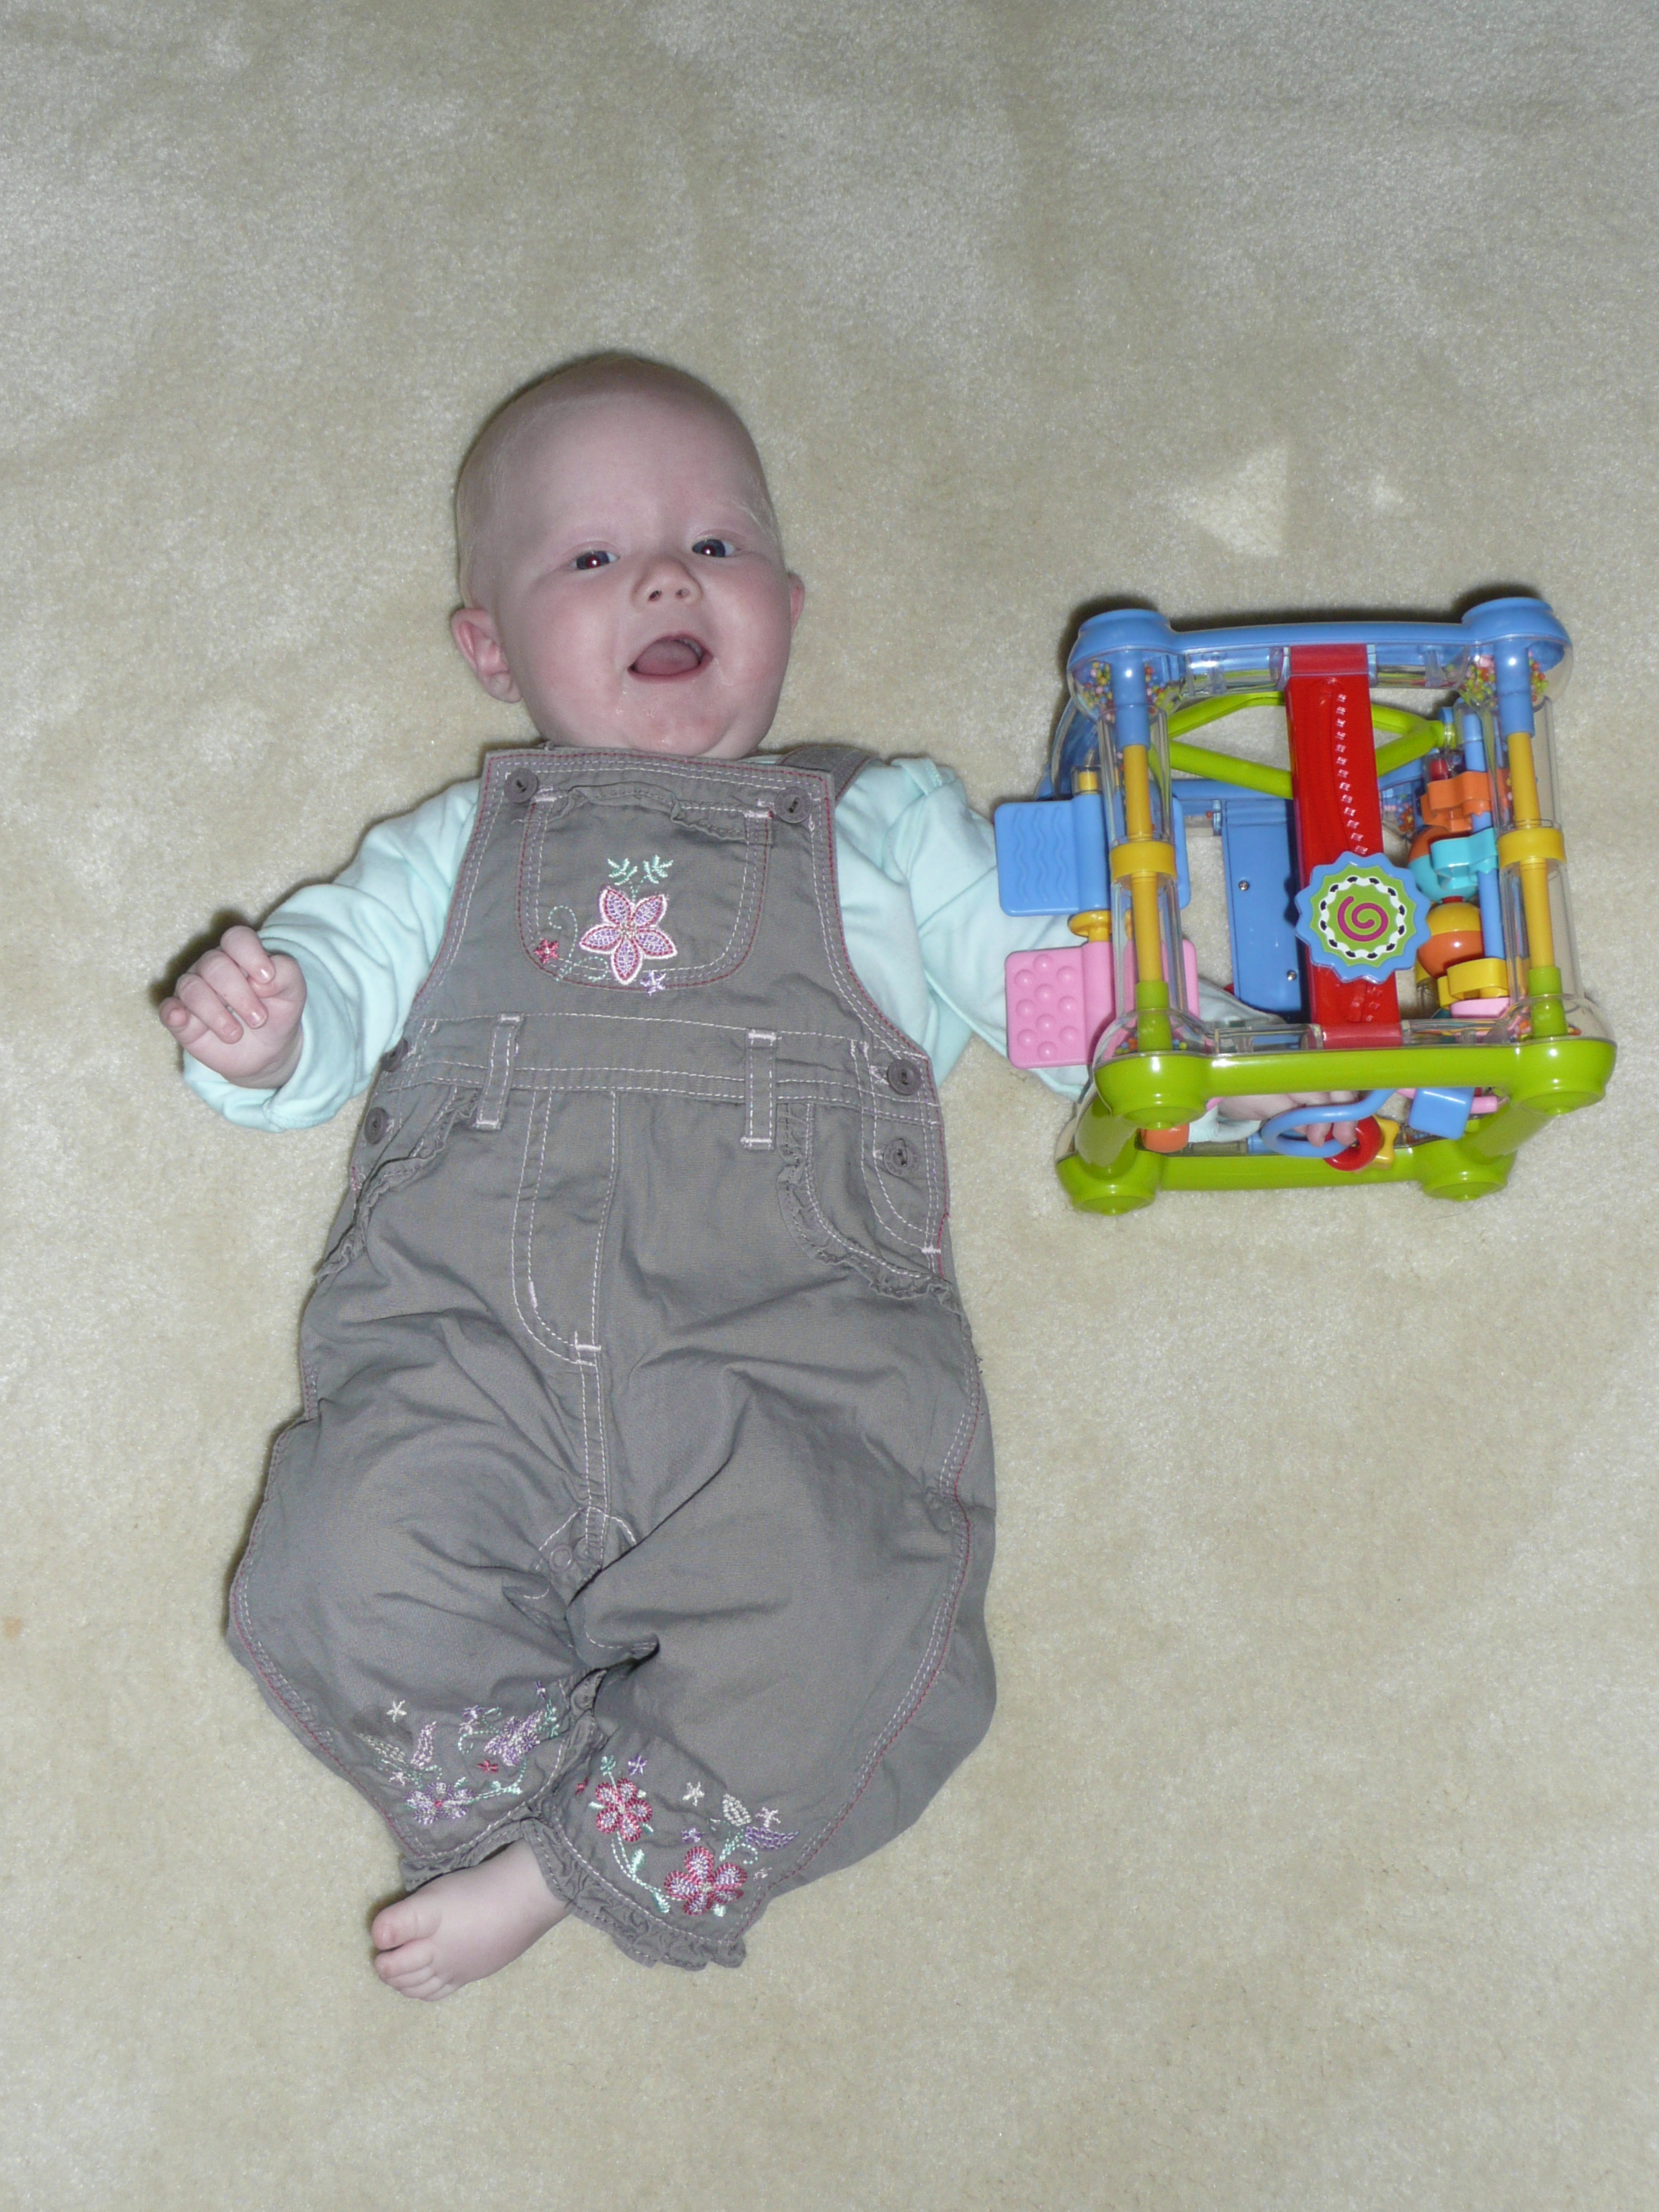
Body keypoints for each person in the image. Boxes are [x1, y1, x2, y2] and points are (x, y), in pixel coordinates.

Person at [161, 354, 1347, 1999]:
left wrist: (1183, 1041)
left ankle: (565, 1863)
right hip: (470, 1358)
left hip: (786, 1367)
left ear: (788, 606)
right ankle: (553, 1804)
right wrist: (273, 1033)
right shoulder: (462, 843)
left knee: (855, 1601)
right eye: (593, 557)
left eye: (716, 546)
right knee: (337, 1563)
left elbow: (1040, 974)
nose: (664, 577)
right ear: (491, 649)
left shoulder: (884, 825)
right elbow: (344, 972)